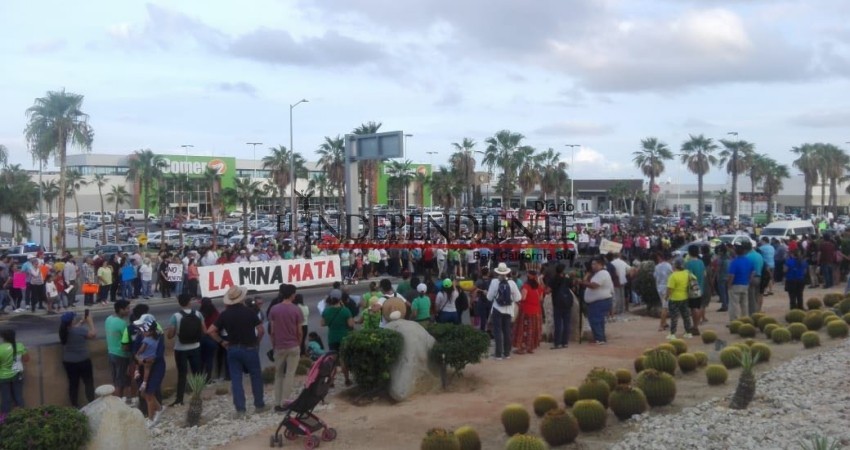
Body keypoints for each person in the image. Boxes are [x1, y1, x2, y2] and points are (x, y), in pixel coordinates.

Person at [208, 286, 267, 417]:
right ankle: (259, 405)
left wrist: (222, 342)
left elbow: (211, 331)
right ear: (242, 298)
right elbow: (261, 330)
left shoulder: (225, 314)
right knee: (256, 376)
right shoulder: (250, 312)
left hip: (233, 348)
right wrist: (257, 342)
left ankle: (240, 409)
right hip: (250, 347)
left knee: (236, 379)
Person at [268, 284, 303, 412]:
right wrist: (299, 344)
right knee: (290, 374)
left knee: (278, 375)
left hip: (279, 346)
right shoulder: (296, 309)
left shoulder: (274, 309)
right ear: (292, 294)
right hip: (293, 345)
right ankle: (285, 401)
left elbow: (272, 331)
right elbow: (299, 331)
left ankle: (277, 403)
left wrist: (274, 345)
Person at [166, 294, 204, 406]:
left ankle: (179, 399)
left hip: (180, 349)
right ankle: (197, 396)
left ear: (179, 303)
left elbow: (170, 335)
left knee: (182, 374)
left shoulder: (175, 316)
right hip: (195, 347)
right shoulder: (198, 314)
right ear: (189, 302)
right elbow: (204, 330)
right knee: (197, 373)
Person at [60, 311, 97, 408]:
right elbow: (93, 335)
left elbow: (74, 329)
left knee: (73, 384)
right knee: (88, 383)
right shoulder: (80, 330)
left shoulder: (63, 332)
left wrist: (81, 321)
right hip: (83, 361)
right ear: (72, 321)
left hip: (69, 362)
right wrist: (90, 321)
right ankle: (92, 403)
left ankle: (74, 405)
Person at [133, 318, 164, 428]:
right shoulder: (142, 337)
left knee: (148, 394)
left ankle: (151, 419)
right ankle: (159, 409)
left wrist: (142, 360)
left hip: (155, 367)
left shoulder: (157, 338)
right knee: (144, 393)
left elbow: (156, 356)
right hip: (144, 365)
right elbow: (136, 352)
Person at [487, 263, 520, 360]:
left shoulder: (494, 282)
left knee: (497, 331)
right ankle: (507, 353)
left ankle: (498, 354)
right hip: (508, 310)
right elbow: (518, 297)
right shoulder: (512, 283)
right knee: (507, 331)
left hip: (497, 309)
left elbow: (489, 297)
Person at [577, 257, 614, 345]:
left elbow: (594, 285)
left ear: (600, 264)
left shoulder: (602, 273)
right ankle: (600, 338)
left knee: (595, 320)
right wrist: (586, 276)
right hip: (598, 301)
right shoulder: (598, 274)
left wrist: (582, 282)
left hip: (599, 301)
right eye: (592, 264)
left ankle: (599, 338)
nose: (592, 266)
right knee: (598, 320)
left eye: (594, 264)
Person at [321, 289, 354, 387]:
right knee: (343, 360)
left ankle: (331, 381)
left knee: (333, 361)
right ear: (340, 299)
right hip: (344, 337)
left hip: (332, 338)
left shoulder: (326, 311)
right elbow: (351, 325)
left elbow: (322, 323)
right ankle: (347, 379)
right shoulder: (345, 311)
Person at [106, 300, 132, 402]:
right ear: (121, 309)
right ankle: (118, 403)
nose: (129, 310)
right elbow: (126, 342)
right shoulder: (122, 324)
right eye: (127, 308)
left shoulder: (108, 319)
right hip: (121, 355)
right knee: (121, 383)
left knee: (116, 380)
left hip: (111, 353)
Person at [513, 270, 544, 354]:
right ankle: (530, 347)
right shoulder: (539, 287)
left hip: (526, 310)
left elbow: (523, 297)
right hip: (536, 311)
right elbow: (541, 299)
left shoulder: (526, 286)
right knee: (533, 329)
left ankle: (522, 348)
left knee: (524, 329)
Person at [665, 258, 694, 340]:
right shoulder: (687, 273)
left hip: (674, 299)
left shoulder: (673, 276)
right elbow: (694, 278)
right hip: (685, 298)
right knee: (686, 316)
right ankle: (688, 333)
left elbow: (669, 289)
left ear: (675, 265)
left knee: (674, 317)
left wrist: (666, 297)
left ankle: (672, 334)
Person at [0, 328, 28, 413]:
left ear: (3, 337)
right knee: (18, 397)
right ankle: (22, 416)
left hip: (3, 377)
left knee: (6, 399)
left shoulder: (1, 348)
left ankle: (5, 418)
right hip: (17, 375)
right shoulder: (20, 346)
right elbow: (26, 359)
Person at [546, 263, 574, 349]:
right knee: (566, 323)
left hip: (557, 303)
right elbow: (573, 288)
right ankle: (565, 342)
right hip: (567, 303)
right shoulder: (567, 279)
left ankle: (557, 343)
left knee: (558, 323)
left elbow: (548, 291)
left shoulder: (553, 279)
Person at [727, 244, 755, 322]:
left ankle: (735, 320)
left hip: (735, 285)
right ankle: (745, 319)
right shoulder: (748, 261)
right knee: (744, 304)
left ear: (736, 252)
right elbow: (753, 272)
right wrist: (749, 280)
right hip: (745, 284)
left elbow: (731, 275)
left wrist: (729, 284)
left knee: (734, 304)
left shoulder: (734, 262)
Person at [684, 245, 706, 336]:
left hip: (692, 289)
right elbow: (705, 274)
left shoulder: (688, 264)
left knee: (694, 308)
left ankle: (695, 327)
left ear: (689, 252)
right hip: (701, 287)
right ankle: (696, 325)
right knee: (698, 307)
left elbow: (687, 277)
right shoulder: (701, 262)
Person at [198, 297, 221, 381]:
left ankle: (199, 378)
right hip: (212, 338)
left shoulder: (199, 313)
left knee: (201, 359)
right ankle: (208, 378)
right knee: (209, 359)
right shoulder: (215, 313)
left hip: (201, 338)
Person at [654, 252, 673, 331]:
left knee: (664, 305)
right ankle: (661, 325)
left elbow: (655, 277)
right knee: (665, 307)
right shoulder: (668, 266)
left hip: (659, 287)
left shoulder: (657, 266)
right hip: (666, 287)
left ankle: (664, 323)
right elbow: (672, 275)